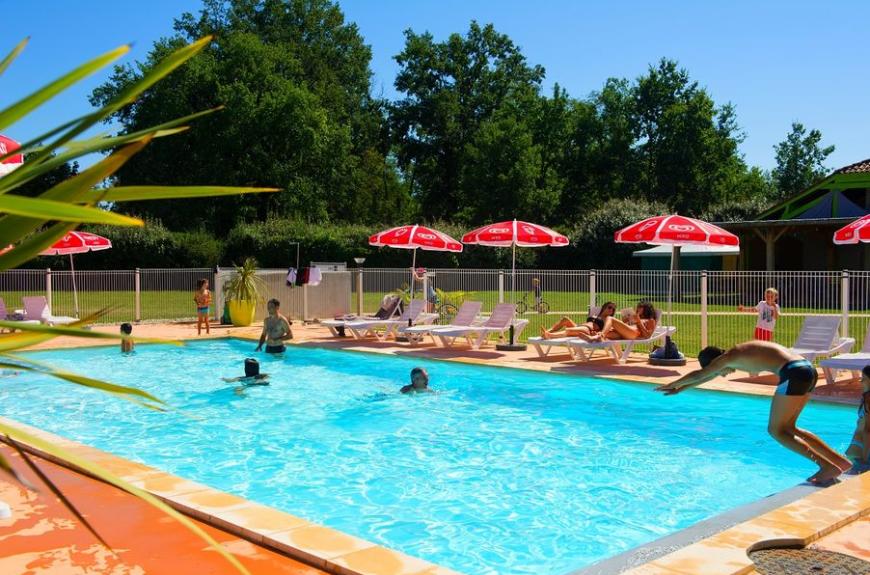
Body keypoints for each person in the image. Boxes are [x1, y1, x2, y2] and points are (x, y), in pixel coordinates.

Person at [656, 341, 852, 485]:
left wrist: (672, 384)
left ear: (714, 361)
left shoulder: (729, 357)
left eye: (718, 370)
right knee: (790, 428)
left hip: (793, 373)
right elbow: (708, 375)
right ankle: (839, 461)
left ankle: (826, 466)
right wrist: (682, 389)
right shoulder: (737, 353)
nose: (722, 374)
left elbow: (701, 374)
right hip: (807, 369)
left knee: (776, 431)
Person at [540, 302, 617, 341]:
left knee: (568, 330)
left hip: (588, 330)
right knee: (565, 319)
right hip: (581, 326)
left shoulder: (609, 319)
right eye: (609, 307)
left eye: (613, 309)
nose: (611, 310)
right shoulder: (597, 314)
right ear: (604, 307)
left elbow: (609, 330)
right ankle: (548, 332)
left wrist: (597, 333)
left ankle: (549, 335)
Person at [845, 365, 870, 469]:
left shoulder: (868, 398)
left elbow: (868, 430)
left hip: (861, 446)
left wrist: (865, 459)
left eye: (863, 378)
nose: (861, 381)